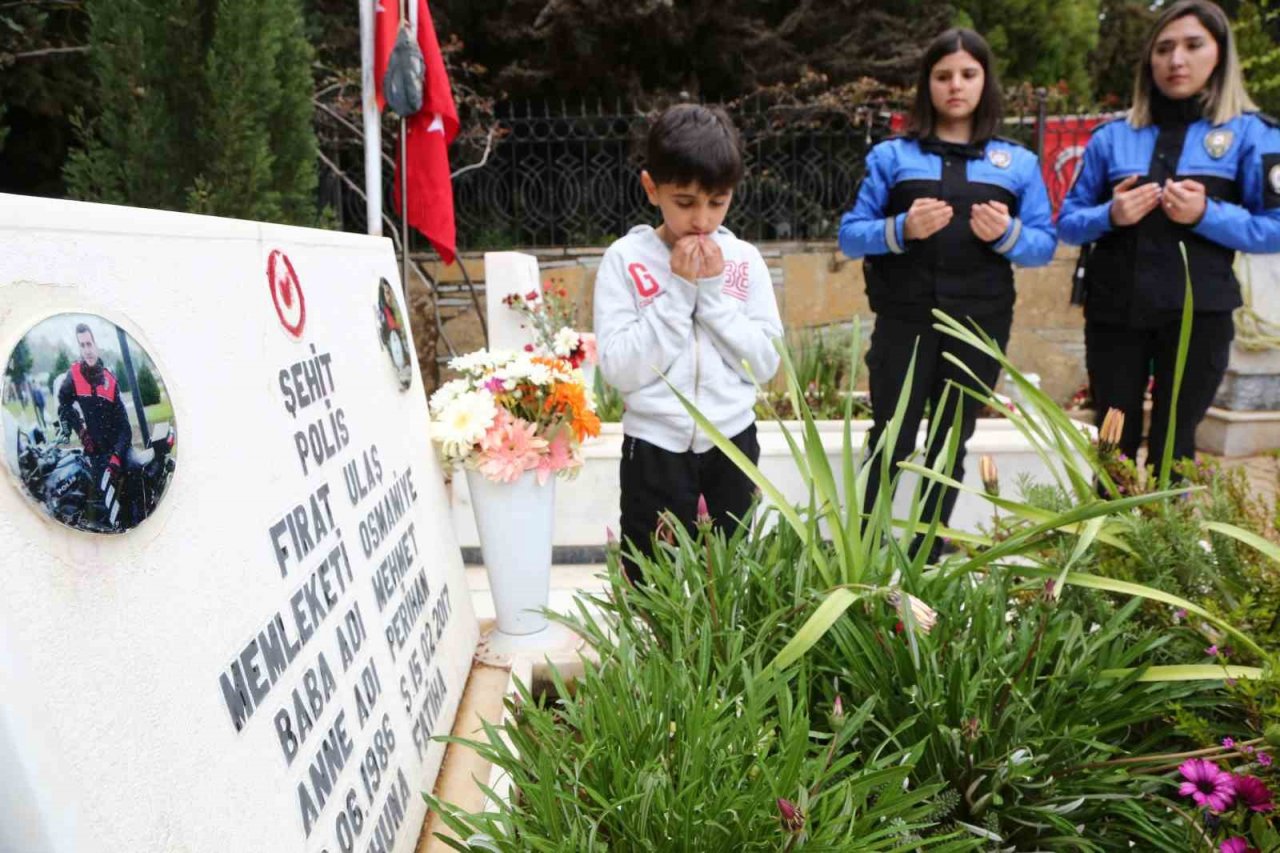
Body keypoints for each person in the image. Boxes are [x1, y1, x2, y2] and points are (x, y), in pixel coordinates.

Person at [838, 28, 1056, 553]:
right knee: (890, 437)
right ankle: (864, 548)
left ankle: (927, 553)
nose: (955, 86)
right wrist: (902, 229)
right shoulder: (893, 156)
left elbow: (1044, 245)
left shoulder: (1017, 163)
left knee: (950, 443)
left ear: (985, 81)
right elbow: (849, 234)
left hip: (980, 323)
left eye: (967, 74)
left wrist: (1007, 235)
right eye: (943, 76)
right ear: (926, 84)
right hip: (904, 321)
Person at [1059, 0, 1280, 471]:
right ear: (1149, 61)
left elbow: (1273, 230)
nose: (1176, 59)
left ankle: (1162, 544)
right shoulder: (1112, 137)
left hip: (1197, 315)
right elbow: (1068, 221)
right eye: (1164, 48)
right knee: (1112, 449)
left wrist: (1206, 213)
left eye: (1192, 45)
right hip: (1115, 312)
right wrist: (1111, 214)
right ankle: (1105, 545)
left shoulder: (1250, 134)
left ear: (1218, 54)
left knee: (1174, 448)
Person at [594, 103, 783, 582]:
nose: (702, 219)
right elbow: (619, 369)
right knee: (652, 582)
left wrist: (714, 296)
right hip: (654, 449)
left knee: (731, 579)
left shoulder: (743, 260)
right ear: (651, 188)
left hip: (732, 443)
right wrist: (678, 292)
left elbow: (764, 362)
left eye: (717, 202)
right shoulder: (624, 260)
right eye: (685, 202)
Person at [58, 323, 132, 501]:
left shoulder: (110, 381)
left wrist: (116, 457)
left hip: (117, 454)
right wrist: (81, 431)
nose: (87, 350)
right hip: (96, 455)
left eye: (89, 344)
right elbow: (64, 404)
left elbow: (125, 428)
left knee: (127, 504)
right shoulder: (74, 375)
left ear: (96, 345)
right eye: (82, 345)